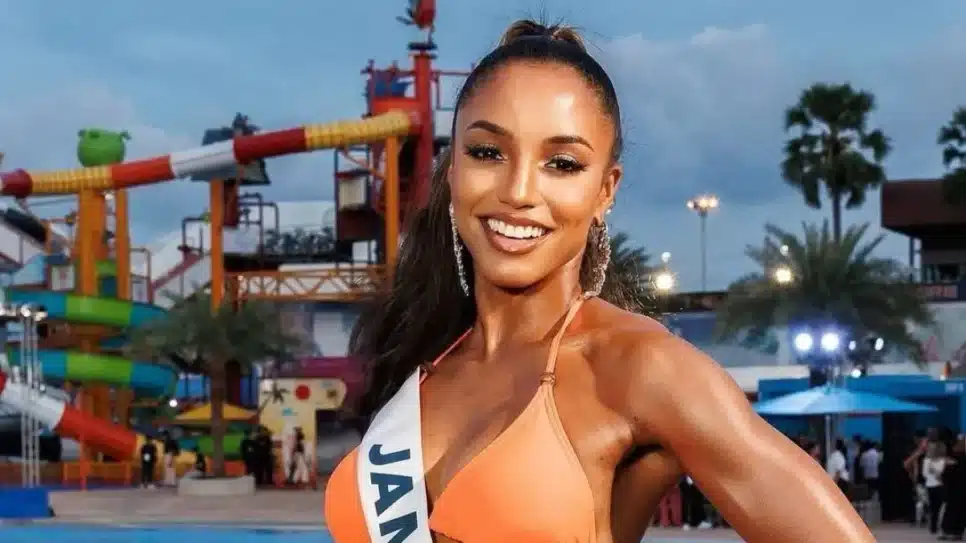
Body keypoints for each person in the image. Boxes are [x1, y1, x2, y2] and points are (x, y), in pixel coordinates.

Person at [322, 19, 875, 543]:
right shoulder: (423, 362)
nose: (518, 191)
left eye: (562, 163)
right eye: (487, 153)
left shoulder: (637, 368)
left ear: (605, 190)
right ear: (454, 169)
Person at [940, 438, 966, 540]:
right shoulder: (953, 457)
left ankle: (955, 532)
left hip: (958, 488)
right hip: (954, 488)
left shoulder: (957, 458)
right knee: (953, 508)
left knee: (956, 509)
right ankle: (950, 531)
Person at [922, 441, 947, 535]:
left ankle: (941, 524)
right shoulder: (926, 460)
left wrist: (933, 470)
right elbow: (925, 474)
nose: (931, 450)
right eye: (930, 449)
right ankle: (933, 527)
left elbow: (941, 472)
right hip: (930, 485)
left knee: (940, 506)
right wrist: (932, 470)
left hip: (940, 485)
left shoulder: (941, 460)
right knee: (933, 507)